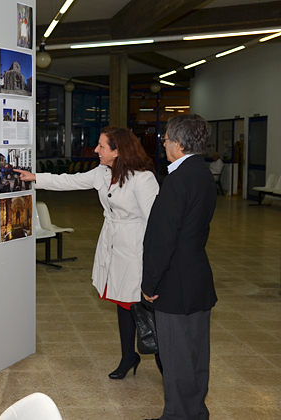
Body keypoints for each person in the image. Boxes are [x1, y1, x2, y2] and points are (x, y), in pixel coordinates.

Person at [16, 127, 159, 379]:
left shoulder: (143, 178)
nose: (96, 150)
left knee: (140, 305)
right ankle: (128, 357)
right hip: (113, 242)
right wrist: (35, 177)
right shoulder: (102, 173)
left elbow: (156, 223)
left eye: (102, 146)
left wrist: (155, 263)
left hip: (136, 247)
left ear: (117, 151)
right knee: (122, 301)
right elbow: (69, 181)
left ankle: (165, 364)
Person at [141, 115, 217, 420]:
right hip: (198, 277)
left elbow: (162, 240)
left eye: (167, 137)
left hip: (175, 283)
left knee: (176, 361)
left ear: (180, 144)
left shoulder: (176, 180)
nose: (164, 142)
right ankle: (196, 412)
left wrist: (150, 284)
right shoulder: (203, 174)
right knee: (196, 357)